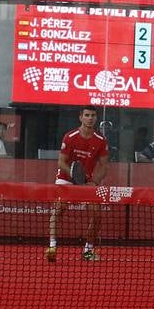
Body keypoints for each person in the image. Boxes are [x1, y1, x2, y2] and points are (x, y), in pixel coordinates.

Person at [45, 107, 109, 263]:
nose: (90, 118)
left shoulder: (101, 140)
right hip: (66, 177)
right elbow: (61, 162)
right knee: (58, 210)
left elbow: (104, 166)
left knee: (97, 215)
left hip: (86, 181)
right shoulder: (70, 136)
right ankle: (52, 247)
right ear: (81, 117)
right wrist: (75, 176)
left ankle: (88, 250)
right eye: (87, 115)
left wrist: (94, 181)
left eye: (93, 115)